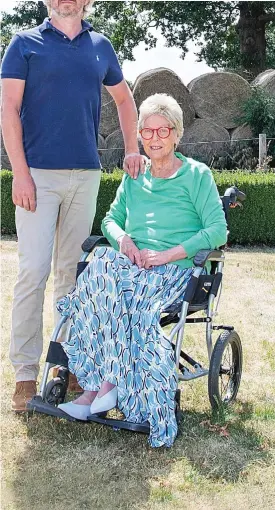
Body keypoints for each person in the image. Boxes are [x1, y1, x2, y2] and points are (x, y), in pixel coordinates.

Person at [56, 93, 228, 447]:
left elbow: (217, 230)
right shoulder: (135, 174)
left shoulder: (197, 175)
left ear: (176, 134)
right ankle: (97, 389)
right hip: (134, 267)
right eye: (146, 132)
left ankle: (104, 390)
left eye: (162, 130)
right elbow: (110, 220)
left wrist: (168, 255)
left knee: (123, 294)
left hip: (176, 271)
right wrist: (125, 244)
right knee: (100, 267)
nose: (154, 138)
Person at [1, 0, 145, 412]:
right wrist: (21, 173)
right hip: (38, 176)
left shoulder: (101, 46)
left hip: (85, 175)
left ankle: (69, 364)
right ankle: (25, 375)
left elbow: (124, 99)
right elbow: (8, 109)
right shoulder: (23, 44)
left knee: (72, 275)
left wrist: (132, 149)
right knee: (33, 271)